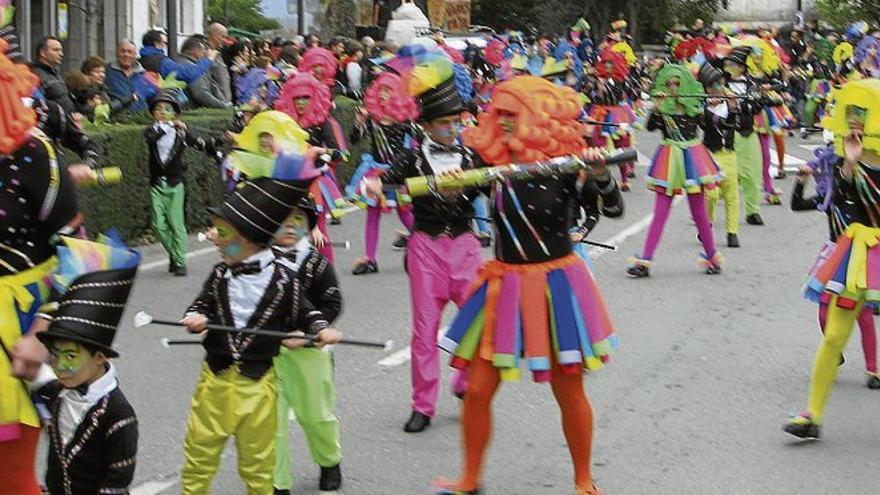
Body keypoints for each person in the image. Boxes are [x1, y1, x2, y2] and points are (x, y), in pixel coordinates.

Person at [435, 75, 619, 495]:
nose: (500, 124)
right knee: (478, 390)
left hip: (554, 284)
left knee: (567, 388)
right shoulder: (490, 166)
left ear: (534, 118)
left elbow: (612, 206)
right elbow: (455, 208)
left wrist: (600, 174)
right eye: (496, 115)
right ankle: (469, 478)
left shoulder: (566, 167)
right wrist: (446, 191)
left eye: (510, 116)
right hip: (503, 282)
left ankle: (583, 479)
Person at [179, 164, 340, 494]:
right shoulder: (220, 274)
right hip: (215, 380)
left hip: (259, 381)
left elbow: (309, 312)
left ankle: (326, 461)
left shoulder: (284, 279)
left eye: (222, 234)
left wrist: (319, 330)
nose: (214, 240)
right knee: (198, 458)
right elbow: (202, 303)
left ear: (249, 239)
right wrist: (194, 318)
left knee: (260, 462)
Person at [365, 57, 483, 433]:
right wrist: (373, 185)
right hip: (426, 249)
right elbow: (384, 180)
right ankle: (423, 405)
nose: (452, 129)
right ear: (427, 126)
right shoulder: (413, 158)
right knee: (424, 329)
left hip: (465, 246)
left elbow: (491, 185)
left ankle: (465, 382)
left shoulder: (470, 156)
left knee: (476, 322)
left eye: (456, 122)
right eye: (444, 124)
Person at [1, 37, 81, 495]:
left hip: (15, 333)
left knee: (10, 479)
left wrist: (41, 333)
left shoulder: (34, 153)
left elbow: (74, 250)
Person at [785, 80, 880, 439]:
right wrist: (850, 164)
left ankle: (873, 368)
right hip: (855, 252)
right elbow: (843, 201)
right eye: (852, 118)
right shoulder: (846, 162)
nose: (855, 126)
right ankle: (812, 415)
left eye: (863, 119)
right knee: (835, 335)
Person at [31, 236, 141, 495]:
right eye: (55, 355)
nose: (60, 366)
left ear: (101, 357)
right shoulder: (56, 390)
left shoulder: (119, 416)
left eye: (71, 356)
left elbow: (117, 484)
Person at [792, 145, 880, 389]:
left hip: (859, 257)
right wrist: (800, 181)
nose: (841, 174)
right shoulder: (828, 197)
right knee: (823, 312)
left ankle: (873, 370)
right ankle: (835, 352)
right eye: (837, 169)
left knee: (862, 314)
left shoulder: (866, 198)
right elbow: (797, 205)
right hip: (834, 255)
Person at [271, 202, 344, 494]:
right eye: (281, 218)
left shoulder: (318, 263)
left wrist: (310, 332)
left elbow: (333, 303)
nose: (289, 226)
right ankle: (276, 482)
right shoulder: (255, 261)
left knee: (316, 416)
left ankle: (329, 461)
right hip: (268, 353)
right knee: (270, 421)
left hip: (311, 352)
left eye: (298, 219)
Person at [627, 63, 723, 277]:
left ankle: (712, 257)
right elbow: (649, 127)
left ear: (685, 84)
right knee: (660, 213)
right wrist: (655, 107)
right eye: (669, 83)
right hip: (669, 158)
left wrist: (725, 106)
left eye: (677, 83)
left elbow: (716, 125)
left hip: (693, 158)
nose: (672, 87)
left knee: (698, 213)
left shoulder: (695, 108)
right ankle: (645, 261)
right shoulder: (664, 108)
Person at [347, 71, 419, 275]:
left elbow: (421, 142)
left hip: (397, 174)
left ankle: (423, 244)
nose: (383, 94)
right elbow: (354, 140)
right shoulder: (372, 120)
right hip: (375, 173)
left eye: (388, 90)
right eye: (381, 90)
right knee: (373, 214)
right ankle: (370, 259)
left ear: (397, 94)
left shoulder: (405, 122)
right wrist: (359, 122)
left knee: (405, 213)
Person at [144, 90, 218, 277]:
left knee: (176, 224)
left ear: (175, 113)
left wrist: (221, 139)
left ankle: (179, 261)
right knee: (158, 225)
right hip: (157, 185)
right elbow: (153, 137)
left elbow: (201, 144)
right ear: (153, 113)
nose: (162, 112)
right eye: (158, 109)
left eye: (167, 109)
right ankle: (175, 254)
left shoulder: (181, 134)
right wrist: (168, 127)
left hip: (176, 184)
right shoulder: (152, 131)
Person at [276, 72, 349, 262]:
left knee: (319, 230)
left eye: (305, 97)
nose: (300, 102)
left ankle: (327, 276)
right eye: (296, 98)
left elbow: (339, 155)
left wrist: (318, 152)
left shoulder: (323, 122)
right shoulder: (285, 123)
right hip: (289, 181)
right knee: (287, 232)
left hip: (315, 182)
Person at [698, 62, 742, 248]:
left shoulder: (730, 104)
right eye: (713, 85)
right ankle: (706, 225)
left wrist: (734, 107)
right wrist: (724, 108)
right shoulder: (702, 110)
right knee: (711, 194)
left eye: (720, 84)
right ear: (707, 89)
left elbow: (735, 123)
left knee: (732, 193)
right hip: (709, 154)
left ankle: (732, 232)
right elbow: (719, 123)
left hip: (729, 154)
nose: (718, 88)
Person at [724, 45, 767, 227]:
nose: (729, 67)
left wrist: (738, 105)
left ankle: (752, 211)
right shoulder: (720, 84)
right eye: (728, 64)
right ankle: (704, 210)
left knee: (752, 173)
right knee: (722, 173)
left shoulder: (753, 85)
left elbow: (757, 107)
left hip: (748, 132)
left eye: (733, 64)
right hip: (727, 132)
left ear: (742, 67)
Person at [139, 29, 213, 86]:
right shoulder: (160, 61)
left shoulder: (143, 58)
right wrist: (208, 59)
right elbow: (188, 73)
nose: (166, 46)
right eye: (165, 43)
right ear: (157, 44)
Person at [176, 35, 232, 109]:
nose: (205, 53)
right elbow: (201, 94)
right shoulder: (190, 66)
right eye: (204, 49)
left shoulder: (179, 62)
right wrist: (223, 106)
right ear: (195, 50)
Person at [30, 36, 76, 113]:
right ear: (43, 53)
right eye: (56, 50)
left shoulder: (54, 74)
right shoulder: (35, 75)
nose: (61, 54)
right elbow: (38, 105)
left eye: (61, 50)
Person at [105, 39, 150, 113]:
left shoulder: (145, 75)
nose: (126, 54)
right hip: (116, 120)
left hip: (142, 119)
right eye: (122, 51)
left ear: (135, 55)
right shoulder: (106, 71)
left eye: (130, 52)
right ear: (116, 53)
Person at [206, 21, 233, 104]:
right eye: (223, 37)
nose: (225, 41)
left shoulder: (217, 54)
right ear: (214, 35)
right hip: (217, 105)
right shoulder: (206, 54)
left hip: (224, 103)